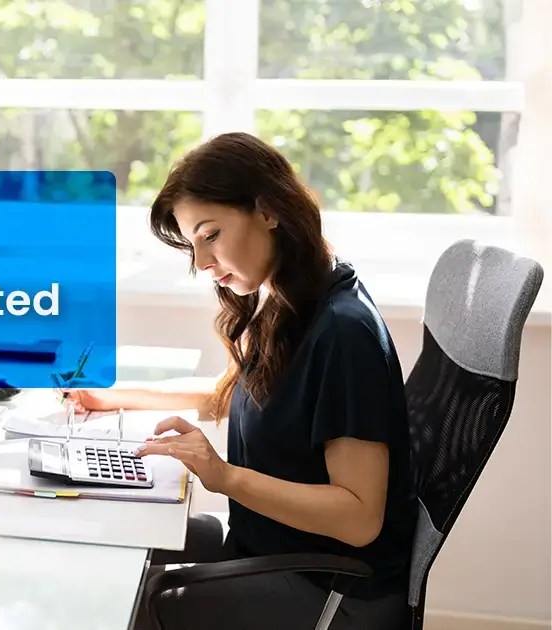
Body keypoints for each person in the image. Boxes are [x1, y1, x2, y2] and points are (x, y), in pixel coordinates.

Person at [66, 132, 416, 629]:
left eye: (210, 235)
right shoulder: (290, 297)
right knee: (108, 544)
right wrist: (109, 395)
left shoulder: (344, 333)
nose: (202, 263)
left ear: (268, 210)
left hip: (330, 590)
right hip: (271, 549)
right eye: (193, 245)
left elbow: (358, 518)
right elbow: (229, 395)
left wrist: (225, 475)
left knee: (120, 603)